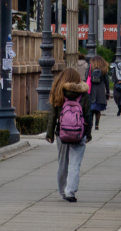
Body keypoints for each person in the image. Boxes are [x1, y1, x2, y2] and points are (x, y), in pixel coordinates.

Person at [46, 66, 92, 200]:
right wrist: (88, 134)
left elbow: (53, 115)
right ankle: (70, 191)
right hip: (79, 132)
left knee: (62, 162)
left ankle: (62, 190)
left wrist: (49, 134)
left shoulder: (58, 91)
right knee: (75, 163)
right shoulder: (83, 93)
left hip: (62, 132)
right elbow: (88, 115)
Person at [87, 54, 110, 129]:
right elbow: (107, 81)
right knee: (98, 110)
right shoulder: (104, 69)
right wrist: (108, 92)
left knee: (91, 109)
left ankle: (90, 123)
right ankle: (97, 125)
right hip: (100, 90)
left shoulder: (90, 67)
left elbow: (86, 77)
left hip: (92, 89)